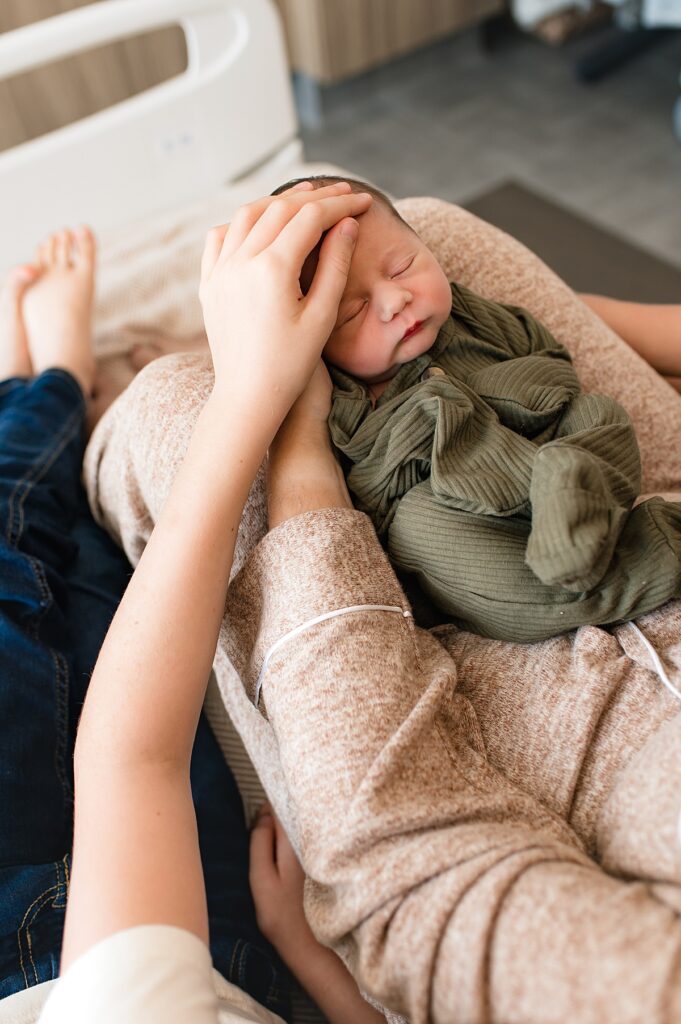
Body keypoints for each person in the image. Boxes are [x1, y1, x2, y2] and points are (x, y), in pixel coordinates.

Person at [79, 178, 681, 1024]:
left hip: (489, 695)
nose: (395, 297)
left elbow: (405, 868)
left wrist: (283, 416)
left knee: (176, 401)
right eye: (363, 303)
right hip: (651, 520)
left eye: (400, 274)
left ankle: (79, 397)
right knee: (421, 229)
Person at [0, 204, 382, 1024]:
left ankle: (43, 385)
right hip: (220, 953)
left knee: (18, 550)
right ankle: (59, 395)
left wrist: (250, 394)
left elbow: (131, 759)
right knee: (91, 568)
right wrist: (316, 968)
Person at [268, 176, 681, 644]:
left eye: (403, 267)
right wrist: (443, 418)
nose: (393, 301)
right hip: (468, 521)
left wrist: (501, 398)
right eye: (352, 312)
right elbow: (373, 496)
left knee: (598, 414)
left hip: (553, 450)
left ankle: (571, 503)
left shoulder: (471, 315)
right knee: (418, 529)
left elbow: (553, 365)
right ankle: (656, 544)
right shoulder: (342, 397)